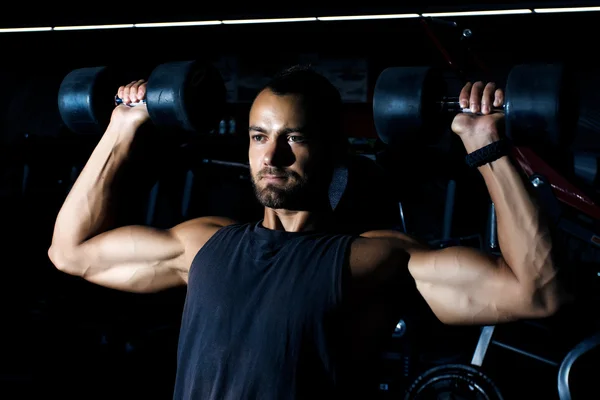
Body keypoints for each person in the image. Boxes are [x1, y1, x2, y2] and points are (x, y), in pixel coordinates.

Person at [48, 64, 567, 399]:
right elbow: (70, 252)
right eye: (259, 137)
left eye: (293, 138)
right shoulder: (201, 245)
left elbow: (537, 293)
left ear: (334, 151)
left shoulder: (373, 261)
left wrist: (487, 149)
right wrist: (120, 130)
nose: (271, 156)